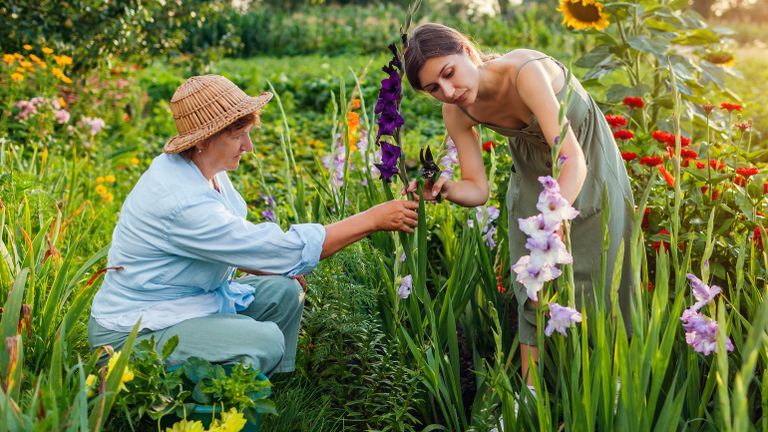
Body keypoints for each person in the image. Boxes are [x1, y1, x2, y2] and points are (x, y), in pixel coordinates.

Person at [88, 74, 418, 375]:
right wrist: (373, 219)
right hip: (134, 333)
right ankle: (215, 403)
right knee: (265, 340)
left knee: (283, 291)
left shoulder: (205, 170)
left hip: (186, 304)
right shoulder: (181, 201)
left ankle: (266, 391)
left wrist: (269, 267)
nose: (249, 147)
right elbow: (276, 252)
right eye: (238, 136)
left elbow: (242, 245)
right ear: (204, 139)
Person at [403, 23, 634, 386]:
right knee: (532, 283)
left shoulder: (525, 73)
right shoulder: (457, 112)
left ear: (466, 50)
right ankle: (530, 396)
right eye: (433, 88)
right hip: (531, 177)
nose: (448, 92)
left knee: (600, 278)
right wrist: (444, 188)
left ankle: (615, 387)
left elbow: (571, 158)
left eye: (448, 74)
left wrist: (554, 217)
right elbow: (477, 189)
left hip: (585, 163)